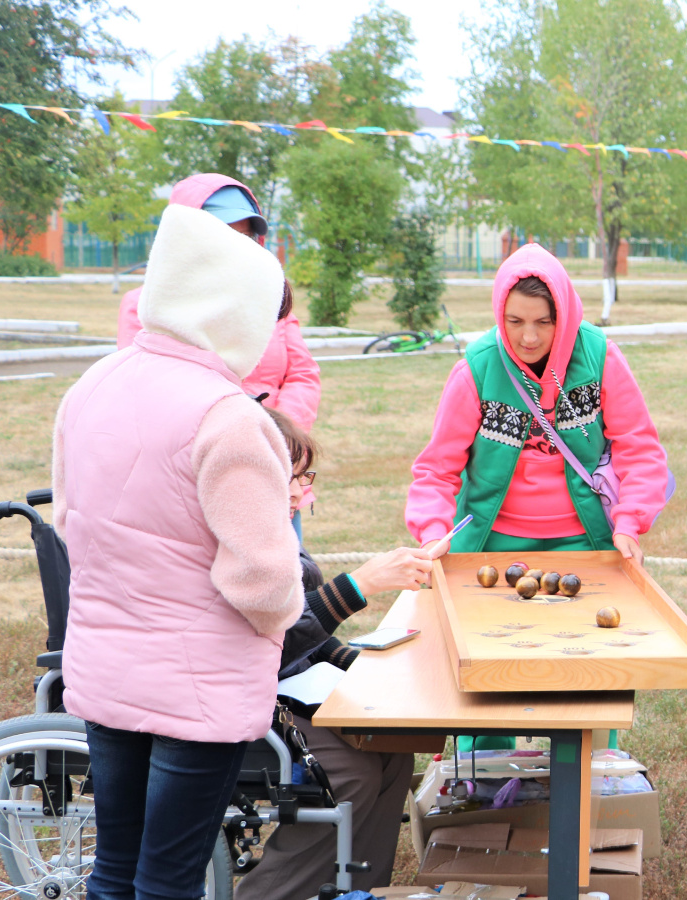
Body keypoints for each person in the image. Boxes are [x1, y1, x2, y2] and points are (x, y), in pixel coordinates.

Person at [53, 201, 305, 897]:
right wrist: (280, 622)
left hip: (107, 667)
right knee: (169, 878)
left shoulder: (90, 386)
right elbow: (262, 580)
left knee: (115, 870)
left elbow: (70, 521)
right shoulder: (228, 417)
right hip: (200, 684)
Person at [233, 409, 438, 900]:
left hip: (281, 693)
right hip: (244, 703)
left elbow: (309, 645)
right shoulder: (239, 551)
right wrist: (356, 587)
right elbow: (271, 645)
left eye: (304, 477)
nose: (303, 492)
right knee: (351, 772)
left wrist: (364, 665)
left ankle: (358, 891)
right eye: (291, 478)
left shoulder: (276, 539)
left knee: (391, 751)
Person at [407, 242, 669, 560]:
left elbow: (639, 449)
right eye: (515, 322)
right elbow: (437, 468)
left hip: (588, 539)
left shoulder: (600, 358)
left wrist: (629, 522)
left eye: (543, 322)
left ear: (564, 315)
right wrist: (432, 530)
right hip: (491, 540)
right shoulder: (477, 368)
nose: (529, 338)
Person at [117, 174, 323, 538]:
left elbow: (303, 375)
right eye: (222, 234)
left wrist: (277, 442)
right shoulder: (147, 307)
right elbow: (148, 397)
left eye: (244, 237)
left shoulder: (272, 300)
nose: (235, 248)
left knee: (289, 586)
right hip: (199, 482)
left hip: (278, 469)